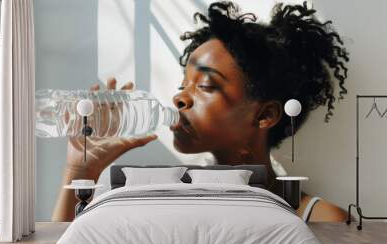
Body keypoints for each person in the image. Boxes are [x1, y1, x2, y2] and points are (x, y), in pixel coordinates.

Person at [51, 1, 349, 222]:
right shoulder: (167, 202)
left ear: (264, 116)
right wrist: (81, 169)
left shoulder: (319, 219)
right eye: (183, 84)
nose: (180, 96)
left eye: (205, 85)